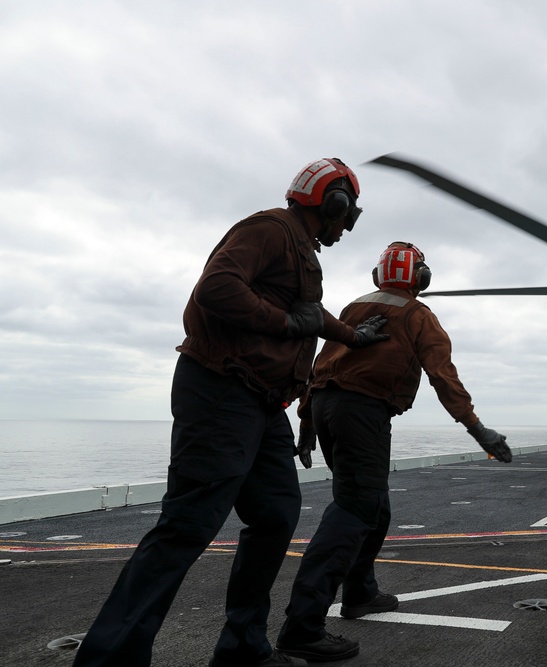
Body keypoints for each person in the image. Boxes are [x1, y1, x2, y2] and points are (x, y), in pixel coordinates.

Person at [74, 158, 388, 667]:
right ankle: (109, 659)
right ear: (331, 203)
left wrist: (354, 336)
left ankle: (243, 647)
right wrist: (283, 323)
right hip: (223, 390)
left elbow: (308, 315)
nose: (346, 225)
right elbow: (216, 288)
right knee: (187, 525)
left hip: (262, 404)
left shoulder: (301, 250)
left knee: (277, 512)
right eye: (346, 211)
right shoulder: (268, 230)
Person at [274, 241, 513, 663]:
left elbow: (321, 366)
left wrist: (308, 423)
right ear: (420, 279)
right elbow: (443, 375)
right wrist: (478, 429)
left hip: (330, 409)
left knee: (374, 504)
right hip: (360, 410)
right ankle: (302, 626)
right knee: (352, 509)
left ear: (377, 274)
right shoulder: (418, 315)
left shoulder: (353, 308)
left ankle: (360, 592)